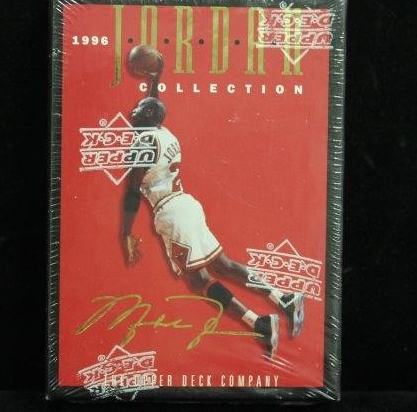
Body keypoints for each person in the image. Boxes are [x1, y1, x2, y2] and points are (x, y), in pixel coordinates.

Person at [120, 61, 304, 358]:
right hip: (187, 205)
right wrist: (155, 79)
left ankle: (260, 323)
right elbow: (155, 105)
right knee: (223, 265)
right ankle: (283, 299)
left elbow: (131, 193)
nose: (132, 111)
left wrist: (126, 233)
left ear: (150, 115)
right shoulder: (163, 132)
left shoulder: (143, 143)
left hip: (172, 214)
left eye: (139, 109)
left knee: (198, 279)